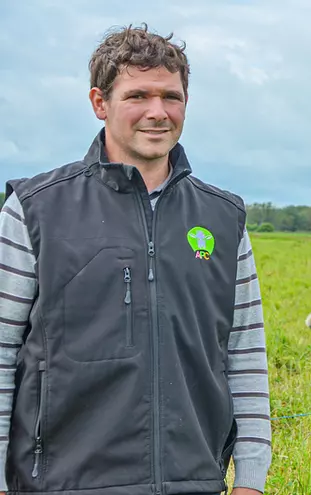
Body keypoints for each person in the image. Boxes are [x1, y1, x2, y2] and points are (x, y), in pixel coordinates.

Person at [0, 24, 271, 495]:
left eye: (171, 96)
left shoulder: (224, 219)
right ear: (99, 103)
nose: (157, 112)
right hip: (60, 484)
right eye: (137, 95)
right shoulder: (34, 209)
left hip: (193, 480)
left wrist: (250, 479)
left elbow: (244, 357)